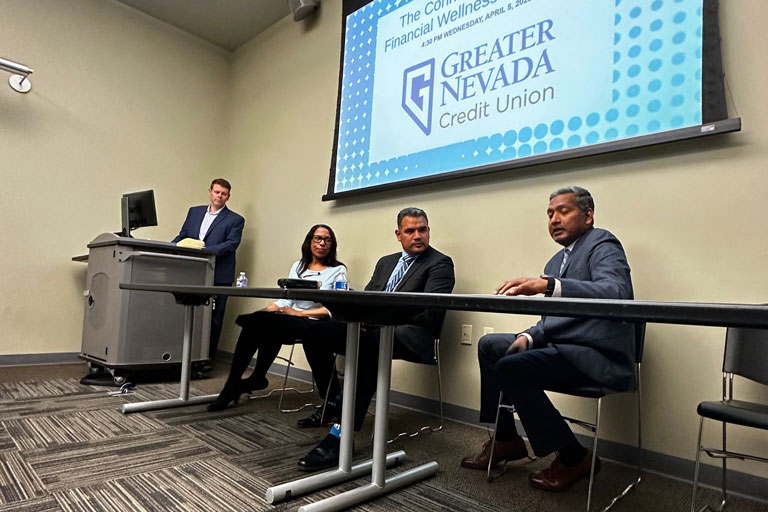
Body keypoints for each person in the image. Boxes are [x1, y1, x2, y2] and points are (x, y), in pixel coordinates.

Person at [460, 186, 635, 493]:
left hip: (594, 354)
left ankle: (574, 457)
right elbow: (550, 321)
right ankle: (506, 439)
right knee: (491, 346)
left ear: (588, 215)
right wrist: (529, 335)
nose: (554, 219)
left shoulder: (602, 243)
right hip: (560, 348)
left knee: (512, 367)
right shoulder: (555, 261)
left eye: (563, 211)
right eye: (550, 213)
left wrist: (549, 285)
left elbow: (617, 292)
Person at [297, 207, 455, 472]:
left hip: (412, 335)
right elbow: (367, 299)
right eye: (410, 231)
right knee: (315, 331)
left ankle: (341, 434)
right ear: (398, 234)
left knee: (372, 343)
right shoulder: (385, 261)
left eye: (423, 230)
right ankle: (334, 398)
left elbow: (429, 312)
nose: (418, 235)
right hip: (372, 329)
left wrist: (377, 320)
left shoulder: (439, 263)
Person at [207, 224, 348, 412]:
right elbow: (285, 299)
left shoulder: (338, 270)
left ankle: (244, 383)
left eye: (327, 239)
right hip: (290, 319)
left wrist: (299, 313)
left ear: (332, 244)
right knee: (261, 323)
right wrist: (266, 311)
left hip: (315, 322)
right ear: (309, 241)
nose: (322, 243)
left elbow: (334, 308)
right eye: (317, 238)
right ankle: (237, 383)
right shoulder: (298, 267)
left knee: (261, 325)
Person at [172, 178, 244, 359]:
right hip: (192, 272)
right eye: (217, 192)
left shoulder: (236, 219)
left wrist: (205, 251)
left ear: (228, 197)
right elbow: (183, 235)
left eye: (224, 193)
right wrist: (169, 248)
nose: (219, 196)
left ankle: (206, 358)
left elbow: (231, 244)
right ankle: (184, 355)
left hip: (219, 274)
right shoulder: (194, 212)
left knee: (214, 319)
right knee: (187, 315)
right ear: (210, 191)